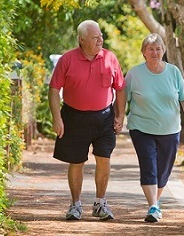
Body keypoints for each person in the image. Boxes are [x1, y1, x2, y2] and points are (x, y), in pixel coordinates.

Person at [48, 20, 126, 221]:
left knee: (104, 159)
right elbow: (54, 89)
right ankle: (75, 205)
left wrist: (120, 115)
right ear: (81, 40)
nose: (100, 39)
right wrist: (57, 118)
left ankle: (100, 203)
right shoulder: (67, 59)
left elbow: (120, 88)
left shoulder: (110, 58)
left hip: (104, 118)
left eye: (100, 35)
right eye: (95, 37)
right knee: (76, 162)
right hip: (74, 117)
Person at [125, 33, 184, 223]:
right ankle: (153, 206)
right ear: (143, 52)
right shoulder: (134, 73)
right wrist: (118, 117)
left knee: (164, 170)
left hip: (170, 129)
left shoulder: (173, 72)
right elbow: (123, 97)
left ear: (163, 51)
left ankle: (155, 201)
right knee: (149, 166)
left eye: (158, 49)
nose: (155, 52)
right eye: (150, 49)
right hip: (141, 128)